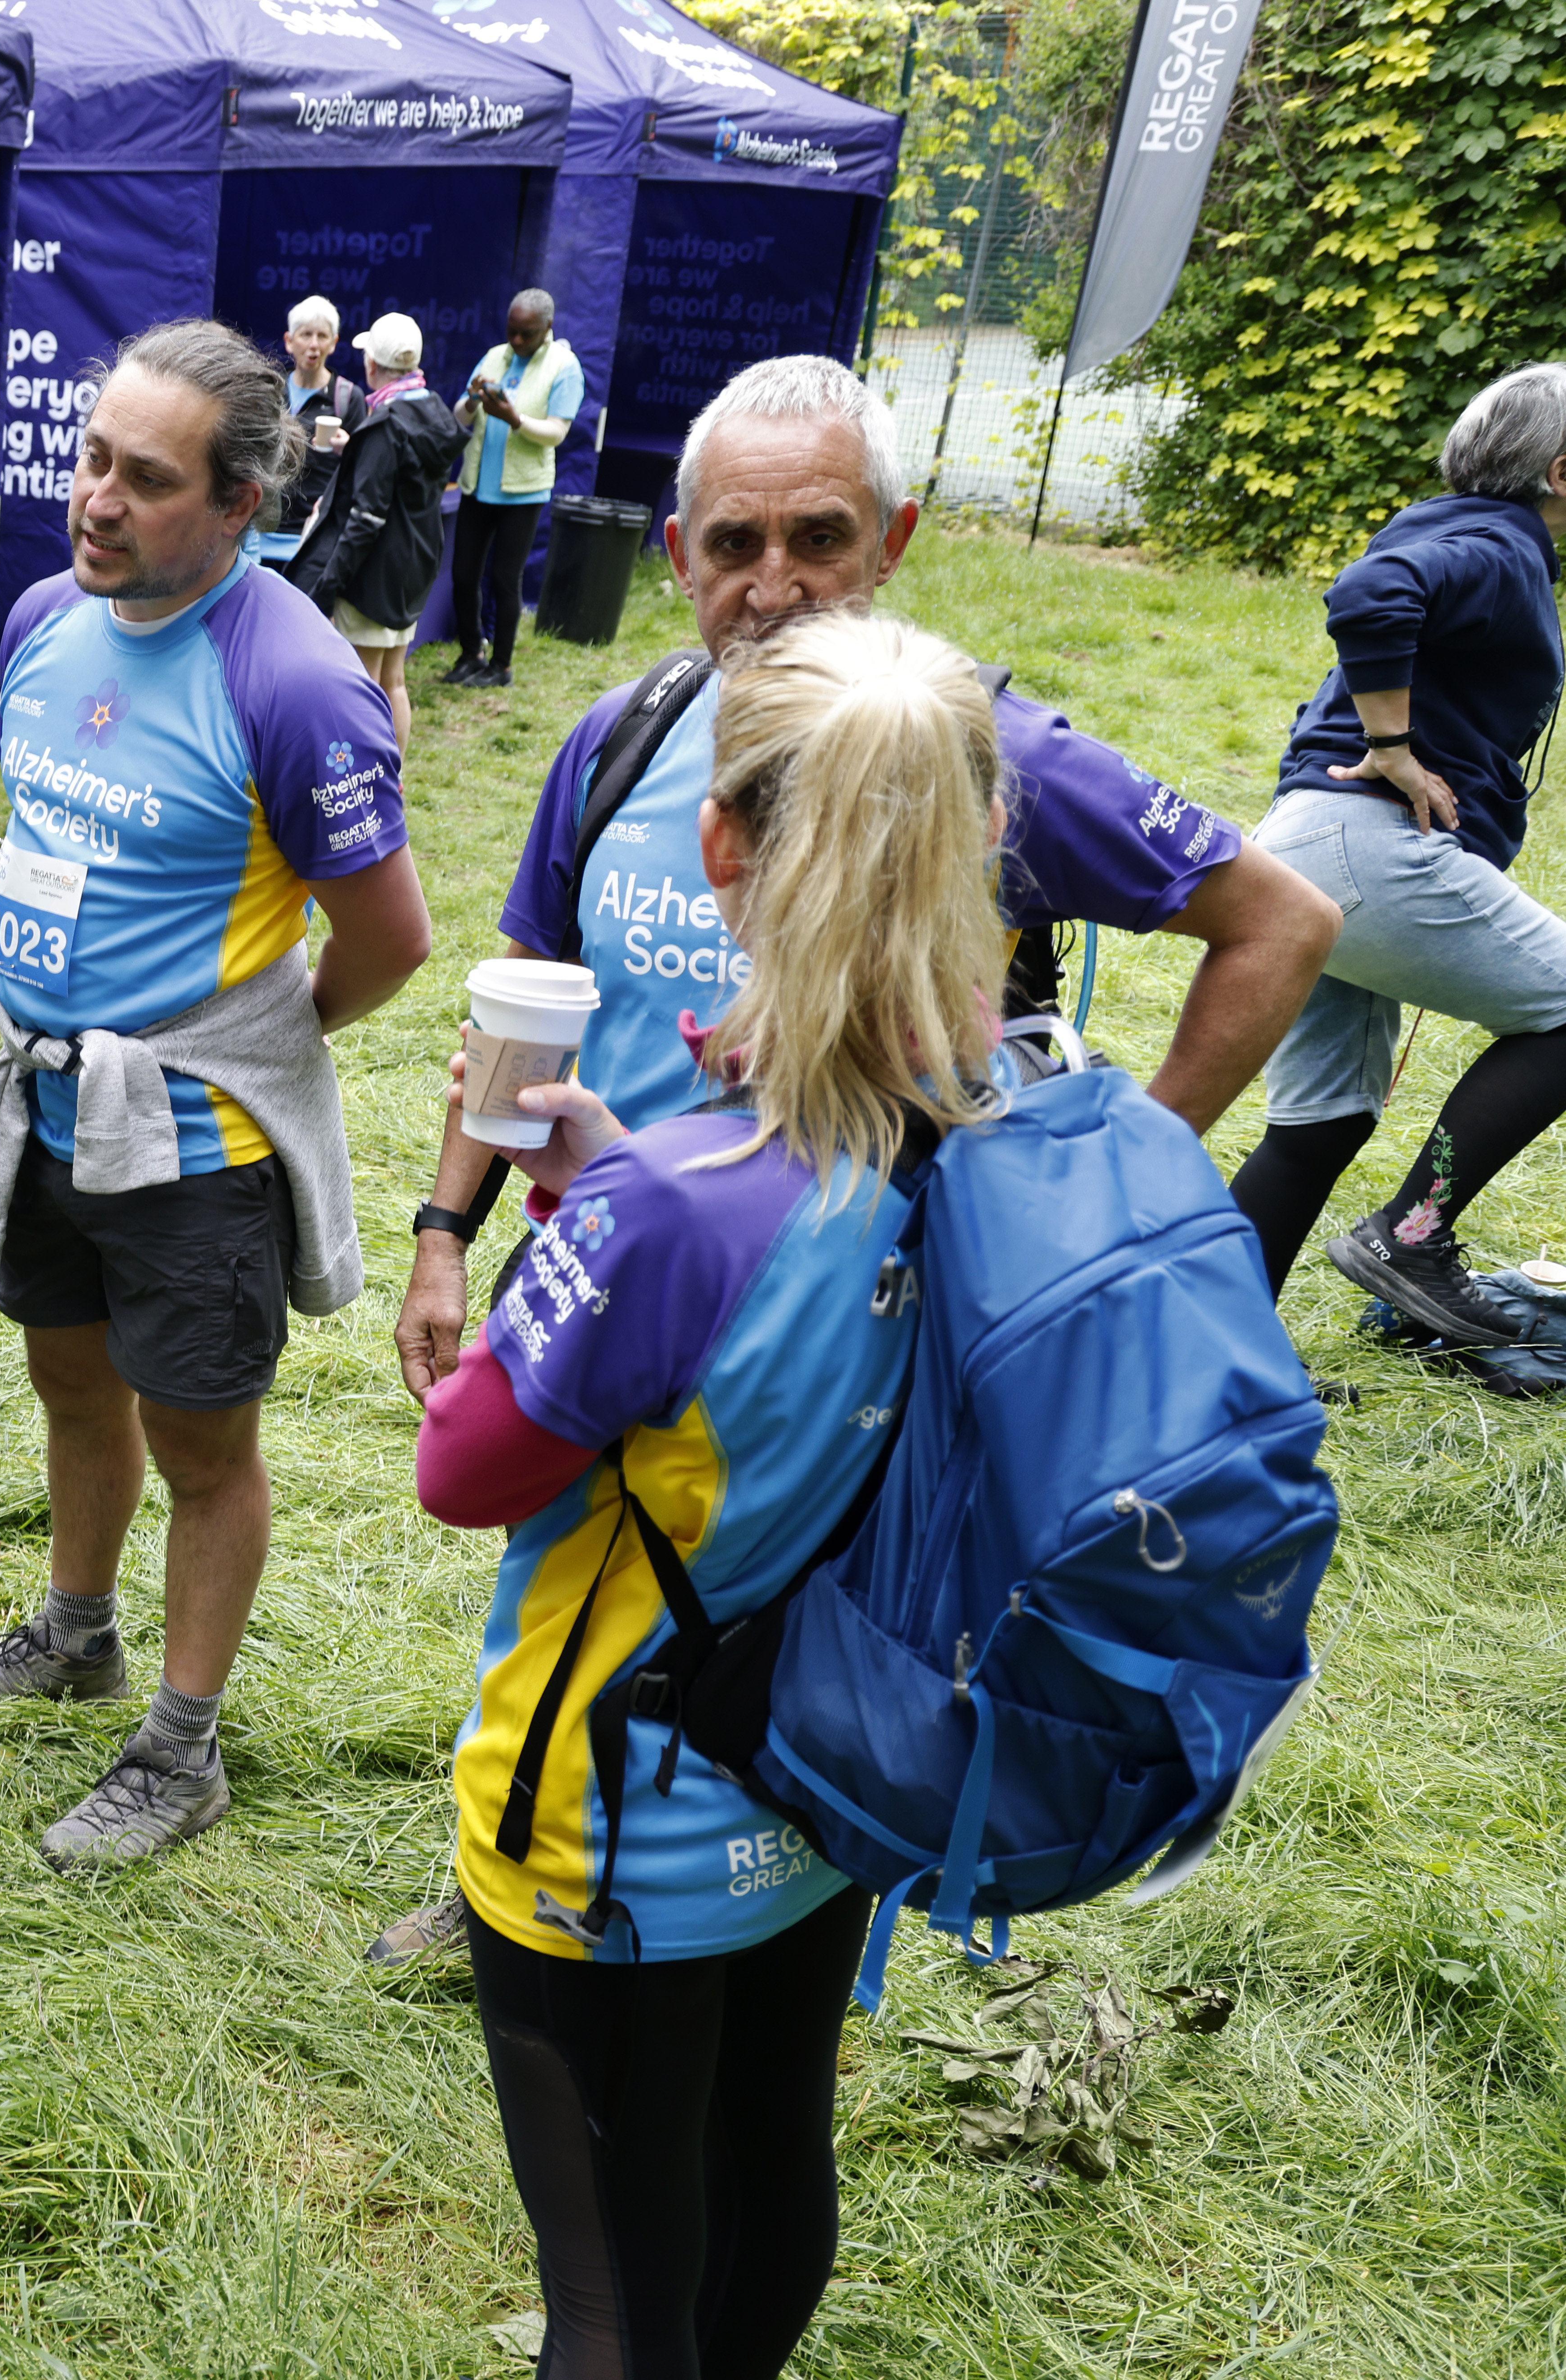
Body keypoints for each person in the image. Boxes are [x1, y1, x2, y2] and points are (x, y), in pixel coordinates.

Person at [372, 352, 1337, 1969]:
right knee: (581, 1598)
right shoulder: (618, 740)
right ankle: (562, 1862)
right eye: (729, 545)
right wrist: (440, 1228)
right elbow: (524, 998)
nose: (770, 586)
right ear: (672, 554)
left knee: (815, 1666)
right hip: (617, 1274)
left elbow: (1277, 920)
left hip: (842, 1343)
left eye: (814, 538)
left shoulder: (948, 748)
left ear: (891, 541)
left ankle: (744, 1903)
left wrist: (1084, 1198)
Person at [412, 608, 1009, 2380]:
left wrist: (579, 1238)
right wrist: (613, 1214)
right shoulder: (982, 1130)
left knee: (608, 2295)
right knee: (767, 2173)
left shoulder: (675, 1203)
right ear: (977, 843)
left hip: (614, 1821)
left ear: (722, 844)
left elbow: (466, 1464)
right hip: (825, 1777)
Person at [0, 318, 435, 1867]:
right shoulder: (49, 616)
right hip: (47, 1106)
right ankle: (77, 1633)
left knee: (204, 1453)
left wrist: (244, 1046)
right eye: (90, 460)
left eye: (144, 479)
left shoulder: (297, 681)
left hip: (192, 1144)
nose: (95, 501)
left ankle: (181, 1751)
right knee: (71, 1386)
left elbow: (389, 941)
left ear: (245, 503)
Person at [1226, 360, 1566, 1333]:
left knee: (1319, 1126)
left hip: (1310, 852)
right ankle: (1414, 1234)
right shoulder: (1497, 548)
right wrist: (1392, 750)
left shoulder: (1465, 534)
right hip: (1363, 852)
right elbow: (1370, 595)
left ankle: (1218, 1369)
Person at [287, 311, 464, 751]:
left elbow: (364, 520)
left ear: (371, 366)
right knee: (393, 681)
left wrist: (327, 588)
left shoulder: (384, 426)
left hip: (373, 576)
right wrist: (361, 451)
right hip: (415, 569)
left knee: (363, 686)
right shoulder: (433, 409)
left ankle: (369, 783)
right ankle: (393, 779)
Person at [444, 288, 583, 690]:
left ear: (548, 329)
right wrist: (471, 402)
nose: (518, 341)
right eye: (512, 332)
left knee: (506, 580)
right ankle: (471, 654)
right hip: (477, 485)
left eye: (528, 334)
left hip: (523, 492)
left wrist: (514, 418)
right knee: (464, 576)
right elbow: (460, 417)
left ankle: (501, 666)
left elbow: (557, 433)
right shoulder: (493, 356)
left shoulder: (565, 367)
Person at [276, 293, 370, 537]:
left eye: (322, 336)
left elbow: (365, 470)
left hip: (316, 533)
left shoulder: (349, 398)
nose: (314, 345)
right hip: (264, 529)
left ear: (334, 343)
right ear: (289, 341)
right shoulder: (270, 390)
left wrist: (350, 450)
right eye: (306, 335)